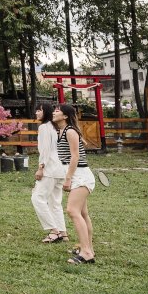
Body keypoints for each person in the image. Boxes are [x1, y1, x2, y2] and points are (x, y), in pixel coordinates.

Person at [54, 103, 96, 264]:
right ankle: (88, 249)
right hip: (76, 175)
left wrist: (68, 178)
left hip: (81, 176)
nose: (54, 112)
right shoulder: (61, 131)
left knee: (72, 210)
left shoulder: (70, 131)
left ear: (65, 116)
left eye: (57, 111)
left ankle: (86, 252)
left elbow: (75, 156)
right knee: (83, 214)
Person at [31, 103, 68, 243]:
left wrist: (41, 167)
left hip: (50, 168)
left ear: (45, 112)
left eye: (39, 110)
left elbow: (45, 150)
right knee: (55, 202)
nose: (36, 113)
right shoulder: (56, 127)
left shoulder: (44, 127)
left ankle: (54, 231)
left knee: (37, 198)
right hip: (61, 169)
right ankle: (63, 233)